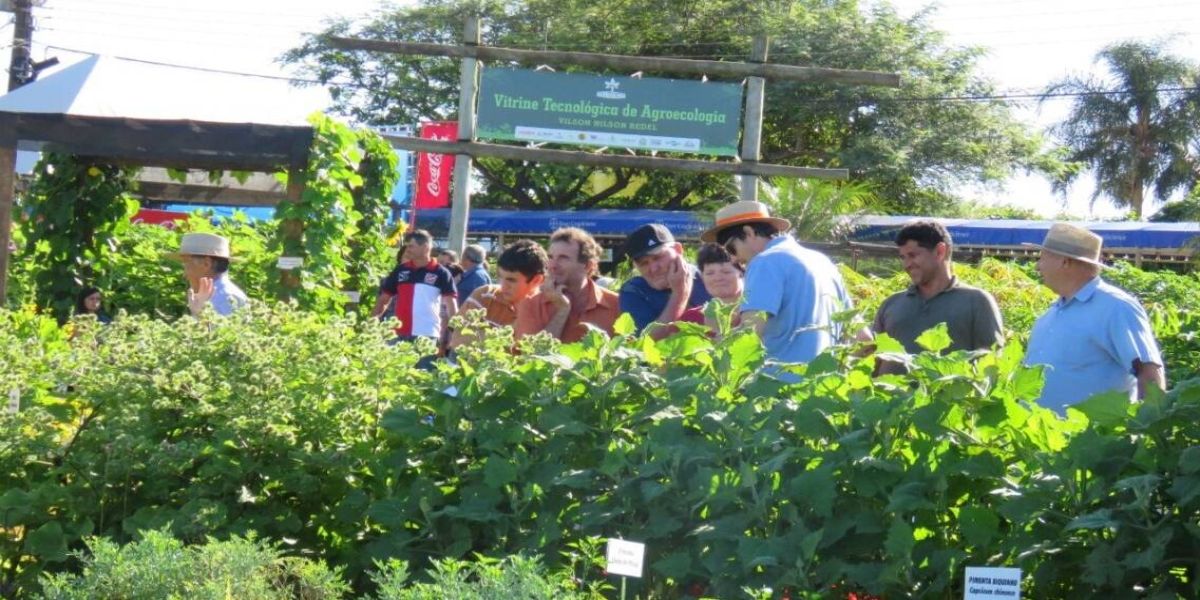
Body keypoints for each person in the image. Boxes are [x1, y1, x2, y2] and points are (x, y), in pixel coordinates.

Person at [1023, 223, 1165, 414]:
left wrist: (1150, 432)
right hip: (1039, 439)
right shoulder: (1052, 313)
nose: (1037, 266)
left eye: (1042, 258)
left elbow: (1149, 373)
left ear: (1065, 262)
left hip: (1094, 440)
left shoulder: (1117, 307)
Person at [701, 200, 854, 375]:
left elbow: (750, 333)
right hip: (826, 389)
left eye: (731, 249)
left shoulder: (764, 262)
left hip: (778, 389)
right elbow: (862, 339)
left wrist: (706, 347)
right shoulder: (822, 261)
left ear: (748, 232)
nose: (733, 260)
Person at [871, 220, 1004, 374]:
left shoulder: (976, 301)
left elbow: (991, 364)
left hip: (948, 397)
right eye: (903, 257)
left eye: (912, 255)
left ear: (940, 252)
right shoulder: (891, 304)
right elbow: (872, 361)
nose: (906, 264)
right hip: (889, 398)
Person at [515, 227, 620, 342]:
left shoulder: (616, 305)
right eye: (550, 257)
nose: (552, 265)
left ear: (588, 266)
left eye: (563, 258)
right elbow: (529, 355)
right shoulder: (531, 304)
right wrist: (562, 311)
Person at [449, 239, 547, 350]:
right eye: (500, 277)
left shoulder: (547, 311)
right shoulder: (485, 295)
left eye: (511, 280)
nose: (503, 285)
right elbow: (458, 340)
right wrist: (511, 329)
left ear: (537, 280)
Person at [619, 224, 711, 339]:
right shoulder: (634, 291)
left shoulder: (709, 276)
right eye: (644, 263)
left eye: (658, 257)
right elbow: (647, 343)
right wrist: (679, 294)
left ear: (678, 250)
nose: (653, 268)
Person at [371, 229, 458, 344]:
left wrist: (454, 331)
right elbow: (383, 300)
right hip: (397, 334)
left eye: (411, 246)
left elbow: (451, 304)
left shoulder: (441, 272)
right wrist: (371, 324)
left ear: (426, 247)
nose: (407, 250)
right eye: (407, 246)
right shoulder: (401, 270)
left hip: (427, 335)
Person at [168, 232, 248, 317]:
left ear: (206, 264)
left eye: (186, 262)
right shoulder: (218, 294)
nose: (184, 273)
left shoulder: (224, 298)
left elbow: (217, 330)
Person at [677, 243, 744, 331]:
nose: (718, 278)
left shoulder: (758, 313)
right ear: (701, 277)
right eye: (710, 273)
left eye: (726, 272)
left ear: (742, 272)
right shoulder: (690, 321)